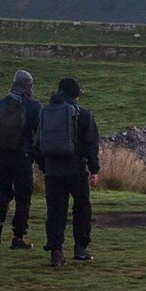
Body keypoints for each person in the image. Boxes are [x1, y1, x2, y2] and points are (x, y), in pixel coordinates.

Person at [36, 75, 100, 267]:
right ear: (76, 94)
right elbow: (91, 145)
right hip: (77, 170)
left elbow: (37, 144)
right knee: (82, 209)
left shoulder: (45, 112)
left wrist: (44, 165)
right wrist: (94, 169)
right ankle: (80, 249)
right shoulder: (84, 115)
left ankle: (56, 252)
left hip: (53, 171)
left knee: (55, 212)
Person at [0, 70, 41, 252]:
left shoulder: (0, 104)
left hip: (3, 155)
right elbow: (39, 134)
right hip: (23, 157)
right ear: (29, 86)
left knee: (3, 192)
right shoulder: (34, 107)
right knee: (23, 197)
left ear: (13, 84)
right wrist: (33, 152)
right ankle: (18, 237)